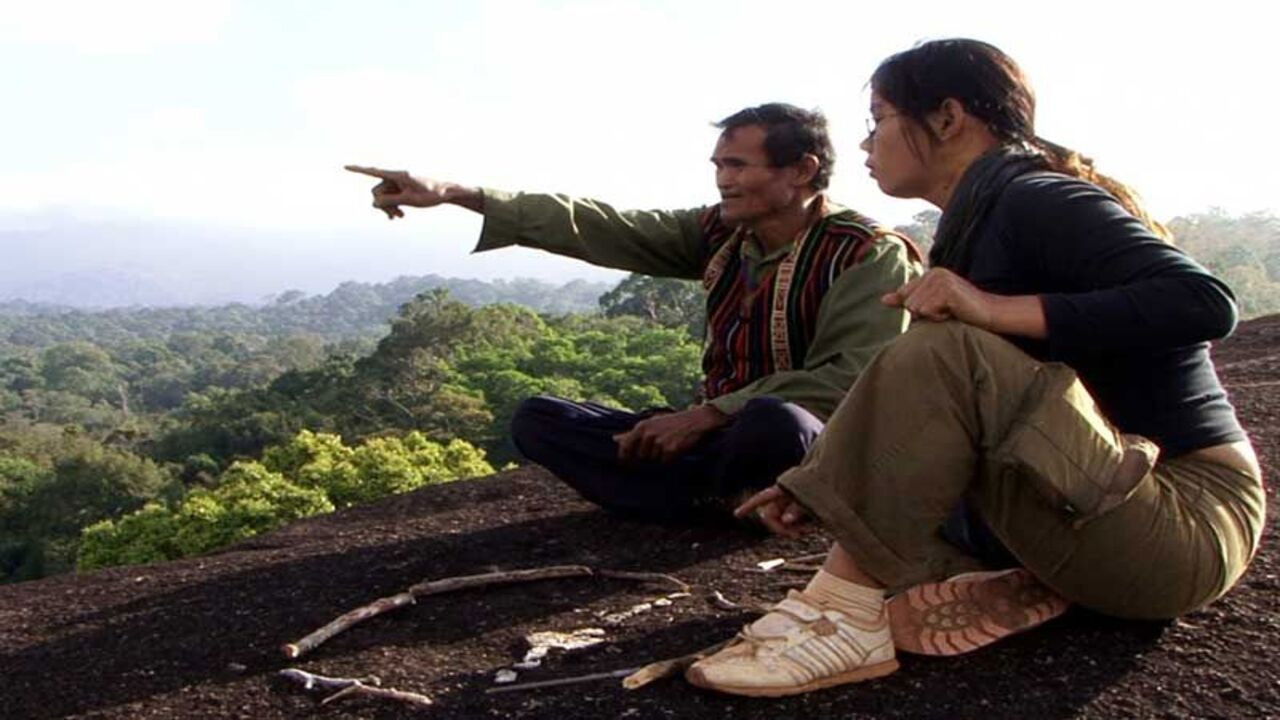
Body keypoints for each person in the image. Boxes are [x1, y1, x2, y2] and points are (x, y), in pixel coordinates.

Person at [685, 39, 1266, 697]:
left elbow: (1203, 301)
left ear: (948, 117)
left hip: (1186, 521)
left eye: (879, 119)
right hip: (1091, 504)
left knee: (947, 348)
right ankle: (1024, 582)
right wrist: (826, 482)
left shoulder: (1037, 197)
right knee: (911, 472)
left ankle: (844, 619)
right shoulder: (977, 221)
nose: (868, 143)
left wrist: (991, 309)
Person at [347, 103, 920, 522]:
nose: (723, 180)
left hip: (815, 446)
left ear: (801, 170)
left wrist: (706, 415)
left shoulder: (867, 251)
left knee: (776, 422)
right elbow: (602, 225)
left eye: (739, 165)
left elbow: (853, 378)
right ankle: (720, 502)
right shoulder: (720, 232)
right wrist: (454, 193)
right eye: (719, 165)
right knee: (538, 418)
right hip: (720, 443)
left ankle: (717, 498)